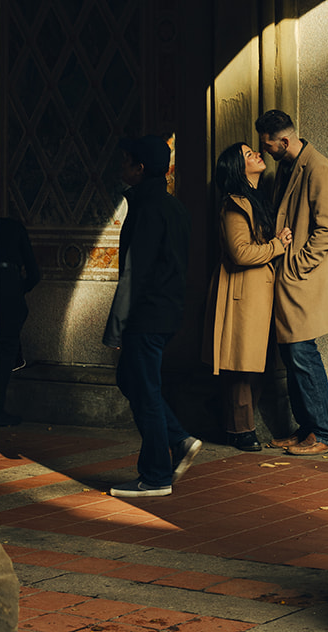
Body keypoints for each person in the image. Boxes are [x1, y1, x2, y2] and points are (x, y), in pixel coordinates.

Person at [103, 135, 202, 499]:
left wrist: (115, 329)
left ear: (139, 168)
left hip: (145, 316)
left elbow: (134, 274)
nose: (122, 168)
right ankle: (178, 437)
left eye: (126, 161)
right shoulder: (174, 208)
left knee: (143, 391)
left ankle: (156, 475)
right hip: (167, 312)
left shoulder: (145, 210)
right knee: (132, 380)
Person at [255, 109, 328, 455]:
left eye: (269, 145)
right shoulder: (286, 166)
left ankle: (326, 434)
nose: (265, 152)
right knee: (292, 356)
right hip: (289, 279)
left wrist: (296, 266)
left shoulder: (318, 167)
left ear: (285, 141)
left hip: (301, 280)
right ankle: (308, 428)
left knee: (302, 353)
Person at [203, 142, 293, 449]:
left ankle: (241, 427)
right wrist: (277, 246)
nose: (256, 153)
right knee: (241, 365)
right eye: (247, 154)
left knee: (255, 365)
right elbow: (240, 253)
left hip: (259, 292)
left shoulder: (256, 199)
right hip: (240, 293)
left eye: (252, 150)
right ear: (238, 169)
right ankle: (240, 430)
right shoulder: (234, 205)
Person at [0, 215, 40, 427]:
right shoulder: (14, 227)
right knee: (5, 354)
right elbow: (34, 274)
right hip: (10, 290)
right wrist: (16, 290)